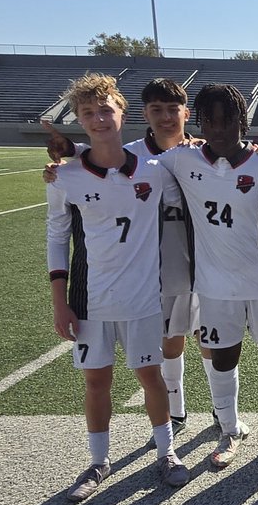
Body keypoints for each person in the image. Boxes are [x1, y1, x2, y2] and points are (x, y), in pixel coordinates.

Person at [42, 79, 213, 446]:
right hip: (108, 290)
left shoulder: (167, 162)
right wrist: (74, 149)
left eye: (106, 110)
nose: (99, 118)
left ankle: (201, 430)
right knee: (144, 360)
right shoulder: (66, 178)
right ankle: (110, 454)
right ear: (143, 115)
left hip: (185, 266)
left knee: (193, 344)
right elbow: (58, 237)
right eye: (89, 113)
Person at [162, 84, 258, 468]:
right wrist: (73, 155)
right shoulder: (182, 160)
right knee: (222, 359)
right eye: (210, 120)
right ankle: (229, 430)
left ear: (241, 121)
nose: (219, 129)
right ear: (200, 122)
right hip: (213, 287)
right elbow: (131, 163)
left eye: (227, 120)